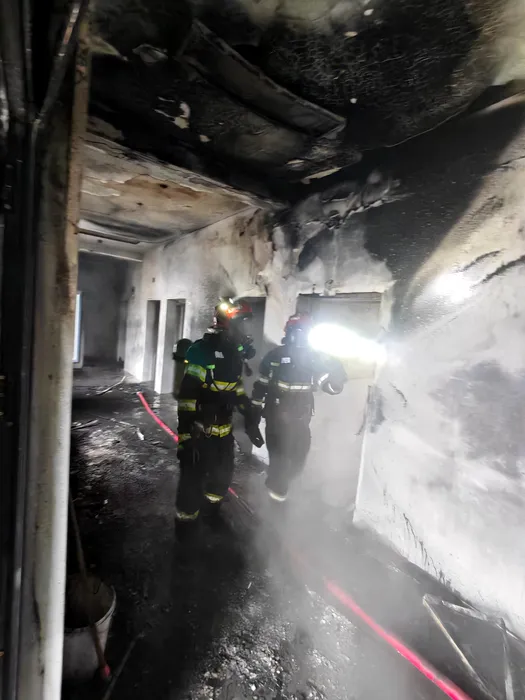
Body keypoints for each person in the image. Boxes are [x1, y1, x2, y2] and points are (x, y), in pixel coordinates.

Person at [175, 299, 263, 537]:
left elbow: (236, 388)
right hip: (199, 434)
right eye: (243, 323)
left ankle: (211, 513)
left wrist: (250, 416)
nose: (247, 330)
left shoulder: (234, 354)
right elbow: (187, 397)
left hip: (224, 433)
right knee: (191, 482)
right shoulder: (201, 351)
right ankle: (185, 526)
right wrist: (185, 438)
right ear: (228, 323)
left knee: (221, 479)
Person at [252, 313, 347, 502]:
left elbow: (328, 385)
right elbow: (261, 384)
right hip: (276, 418)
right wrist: (253, 411)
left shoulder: (313, 358)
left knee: (298, 460)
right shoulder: (274, 356)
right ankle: (275, 500)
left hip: (300, 420)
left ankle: (278, 486)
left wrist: (336, 375)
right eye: (301, 332)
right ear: (292, 332)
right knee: (279, 461)